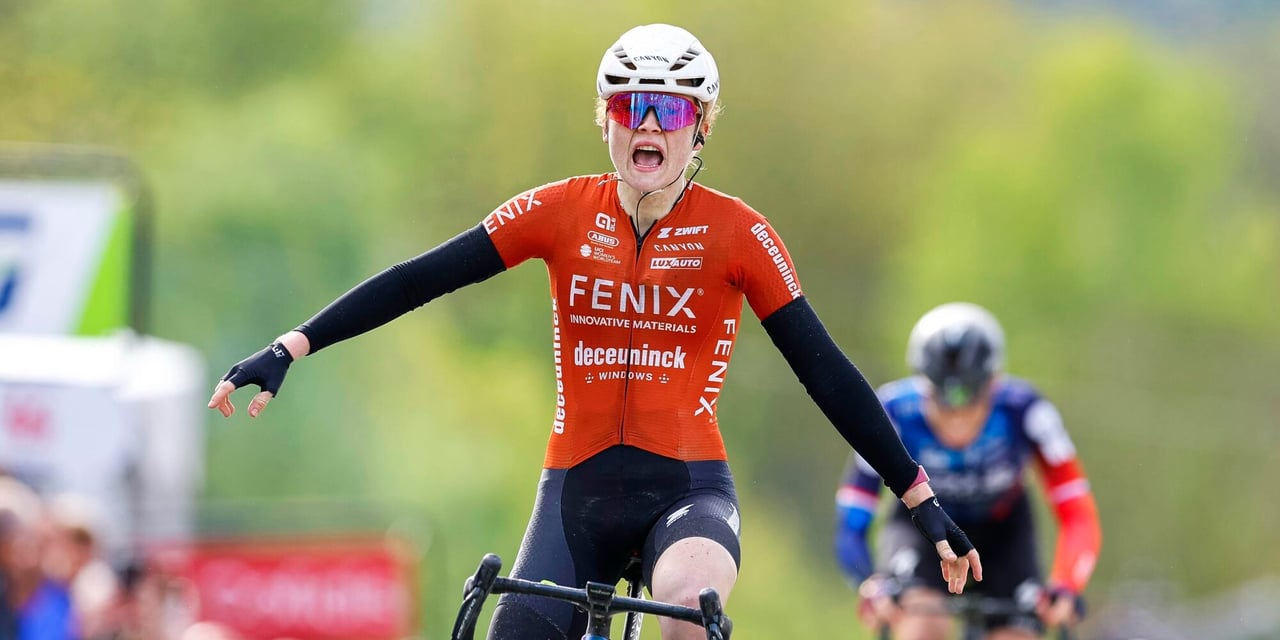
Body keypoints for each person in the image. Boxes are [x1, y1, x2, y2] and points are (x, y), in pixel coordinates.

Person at [208, 24, 980, 640]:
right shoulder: (559, 211)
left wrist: (918, 497)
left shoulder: (739, 233)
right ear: (604, 120)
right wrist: (291, 346)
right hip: (573, 492)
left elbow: (825, 370)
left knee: (690, 608)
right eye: (628, 106)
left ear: (701, 128)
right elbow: (420, 278)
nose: (647, 124)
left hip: (688, 491)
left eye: (670, 110)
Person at [834, 302, 1102, 640]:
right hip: (923, 531)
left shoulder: (1027, 411)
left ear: (994, 382)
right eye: (943, 401)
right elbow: (852, 518)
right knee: (921, 622)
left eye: (971, 399)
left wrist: (1067, 584)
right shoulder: (891, 412)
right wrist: (869, 583)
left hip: (1004, 533)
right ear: (923, 385)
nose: (958, 417)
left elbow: (1077, 513)